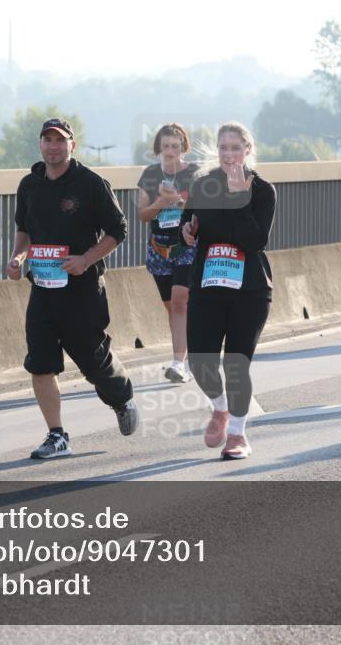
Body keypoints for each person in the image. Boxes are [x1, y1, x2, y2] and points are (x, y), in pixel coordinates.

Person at [6, 118, 139, 459]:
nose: (53, 146)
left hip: (82, 291)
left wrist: (86, 259)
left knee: (94, 363)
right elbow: (24, 230)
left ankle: (121, 397)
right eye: (47, 140)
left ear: (72, 145)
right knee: (40, 363)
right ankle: (56, 435)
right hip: (43, 289)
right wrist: (18, 259)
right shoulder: (29, 185)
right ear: (40, 145)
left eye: (60, 140)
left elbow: (118, 230)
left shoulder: (91, 184)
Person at [180, 122, 276, 460]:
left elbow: (254, 241)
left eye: (236, 148)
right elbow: (189, 221)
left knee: (236, 364)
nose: (229, 154)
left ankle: (237, 434)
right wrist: (187, 231)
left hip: (249, 289)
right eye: (223, 148)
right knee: (201, 363)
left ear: (248, 150)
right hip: (208, 285)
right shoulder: (203, 185)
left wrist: (239, 196)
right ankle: (220, 408)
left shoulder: (263, 190)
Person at [136, 123, 200, 383]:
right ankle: (189, 350)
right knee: (172, 306)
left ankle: (178, 363)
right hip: (159, 248)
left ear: (183, 147)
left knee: (179, 300)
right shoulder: (150, 175)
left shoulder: (195, 173)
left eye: (175, 146)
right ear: (158, 149)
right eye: (166, 146)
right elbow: (141, 215)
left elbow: (202, 209)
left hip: (187, 245)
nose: (171, 151)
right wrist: (161, 202)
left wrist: (178, 201)